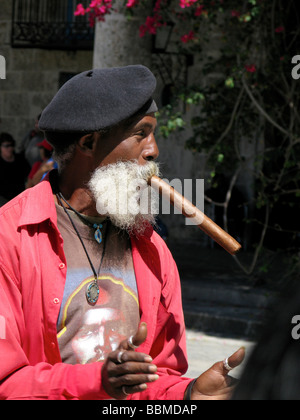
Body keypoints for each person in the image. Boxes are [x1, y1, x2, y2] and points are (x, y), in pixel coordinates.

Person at [0, 65, 245, 400]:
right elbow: (5, 381)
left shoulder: (152, 250)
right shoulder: (10, 238)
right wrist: (97, 381)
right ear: (89, 142)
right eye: (140, 134)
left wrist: (187, 395)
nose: (153, 150)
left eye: (153, 134)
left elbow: (158, 375)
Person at [0, 132, 30, 206]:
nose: (10, 148)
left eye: (12, 145)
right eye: (6, 146)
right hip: (3, 200)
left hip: (20, 198)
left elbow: (30, 176)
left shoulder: (20, 159)